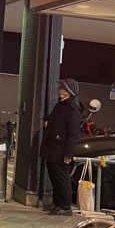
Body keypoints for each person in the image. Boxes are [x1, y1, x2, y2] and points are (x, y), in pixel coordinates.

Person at [41, 78, 81, 215]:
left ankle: (65, 206)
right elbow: (51, 118)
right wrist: (48, 121)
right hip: (52, 147)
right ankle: (57, 203)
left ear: (68, 91)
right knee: (54, 176)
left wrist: (69, 154)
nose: (59, 90)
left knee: (61, 178)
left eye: (62, 88)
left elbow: (73, 133)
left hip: (61, 149)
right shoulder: (61, 105)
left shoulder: (72, 108)